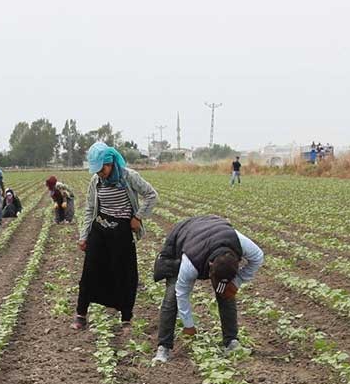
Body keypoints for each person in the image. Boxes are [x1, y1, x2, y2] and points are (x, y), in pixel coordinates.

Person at [151, 215, 263, 363]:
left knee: (226, 292)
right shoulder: (189, 264)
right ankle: (163, 348)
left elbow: (259, 257)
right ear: (210, 266)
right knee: (172, 297)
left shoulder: (240, 243)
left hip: (214, 229)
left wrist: (236, 282)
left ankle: (231, 341)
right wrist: (188, 324)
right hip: (183, 236)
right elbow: (182, 293)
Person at [74, 142, 157, 330]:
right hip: (100, 229)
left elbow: (152, 195)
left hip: (122, 231)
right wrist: (83, 235)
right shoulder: (96, 182)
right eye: (96, 170)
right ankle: (81, 314)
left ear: (111, 163)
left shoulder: (129, 177)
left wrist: (137, 217)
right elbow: (89, 209)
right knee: (90, 271)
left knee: (125, 273)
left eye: (102, 169)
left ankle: (126, 317)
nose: (100, 173)